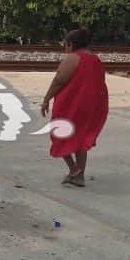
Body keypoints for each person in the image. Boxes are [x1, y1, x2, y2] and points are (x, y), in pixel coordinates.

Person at [41, 27, 109, 187]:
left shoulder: (73, 58)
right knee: (80, 138)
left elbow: (59, 80)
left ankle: (74, 170)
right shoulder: (95, 59)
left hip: (71, 104)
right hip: (91, 106)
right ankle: (79, 176)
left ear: (71, 44)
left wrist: (46, 99)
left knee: (59, 134)